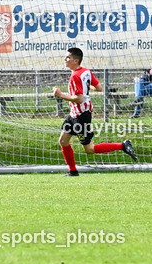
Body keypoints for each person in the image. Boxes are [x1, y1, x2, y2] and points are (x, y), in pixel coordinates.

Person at [53, 47, 137, 176]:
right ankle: (72, 171)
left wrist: (60, 94)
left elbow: (79, 99)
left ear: (76, 60)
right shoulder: (86, 71)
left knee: (90, 149)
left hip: (81, 116)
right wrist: (86, 88)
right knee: (63, 141)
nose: (65, 59)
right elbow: (98, 87)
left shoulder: (75, 76)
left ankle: (123, 145)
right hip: (74, 114)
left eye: (68, 57)